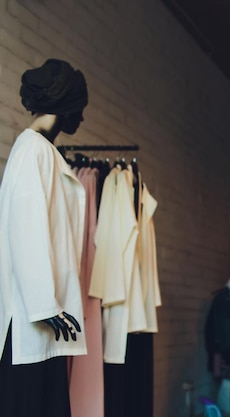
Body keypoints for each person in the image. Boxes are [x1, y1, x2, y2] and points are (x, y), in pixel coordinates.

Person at [0, 58, 89, 417]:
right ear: (65, 108)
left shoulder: (43, 152)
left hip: (44, 316)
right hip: (30, 318)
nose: (81, 119)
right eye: (79, 109)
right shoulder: (32, 150)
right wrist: (44, 306)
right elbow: (27, 228)